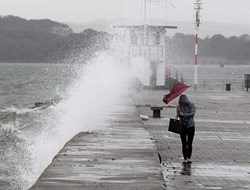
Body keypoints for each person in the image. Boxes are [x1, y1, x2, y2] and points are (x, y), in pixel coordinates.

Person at [176, 94, 196, 164]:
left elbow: (192, 114)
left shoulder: (191, 105)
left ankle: (189, 158)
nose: (183, 104)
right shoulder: (179, 106)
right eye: (181, 103)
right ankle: (185, 158)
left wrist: (184, 114)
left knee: (189, 143)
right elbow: (178, 116)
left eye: (183, 102)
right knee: (184, 143)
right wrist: (178, 112)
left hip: (190, 126)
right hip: (182, 126)